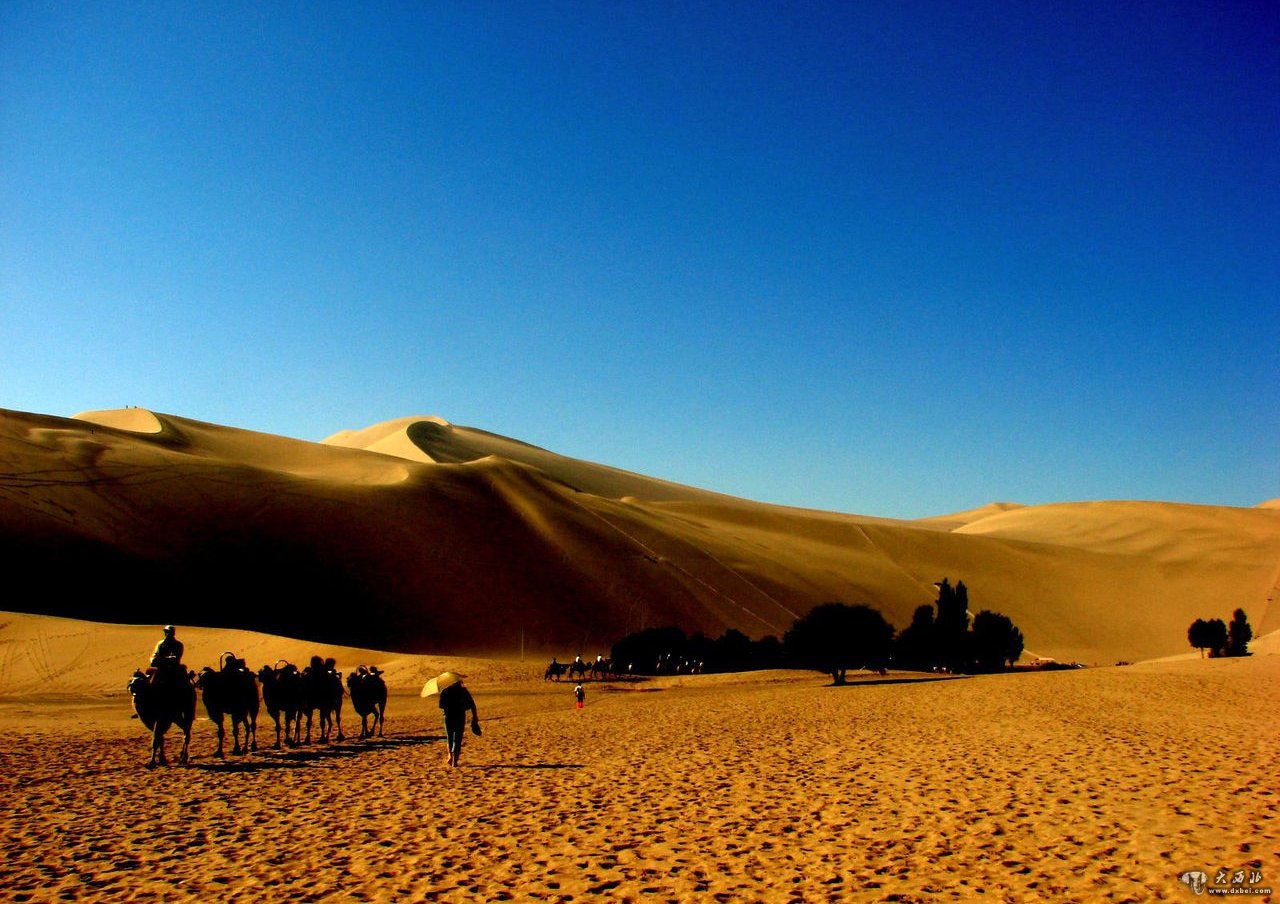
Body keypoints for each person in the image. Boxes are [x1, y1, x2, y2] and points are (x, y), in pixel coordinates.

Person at [438, 678, 479, 768]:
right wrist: (475, 717)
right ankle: (455, 761)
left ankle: (450, 756)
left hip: (448, 717)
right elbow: (472, 705)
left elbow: (441, 705)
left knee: (450, 738)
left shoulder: (445, 691)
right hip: (460, 717)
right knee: (457, 739)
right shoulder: (463, 692)